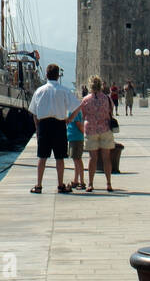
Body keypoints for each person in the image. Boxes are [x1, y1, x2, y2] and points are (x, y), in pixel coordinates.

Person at [28, 63, 81, 194]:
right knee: (59, 157)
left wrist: (37, 127)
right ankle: (60, 185)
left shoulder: (39, 91)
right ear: (58, 76)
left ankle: (39, 185)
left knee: (42, 157)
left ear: (46, 75)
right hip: (59, 125)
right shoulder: (64, 90)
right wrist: (69, 119)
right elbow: (77, 107)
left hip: (44, 125)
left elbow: (34, 112)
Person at [81, 75, 116, 192]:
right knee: (106, 158)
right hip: (105, 129)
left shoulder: (85, 100)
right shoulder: (107, 98)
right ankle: (108, 183)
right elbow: (111, 111)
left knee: (93, 158)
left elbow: (83, 115)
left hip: (91, 130)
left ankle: (90, 184)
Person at [66, 98, 86, 190]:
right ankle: (76, 180)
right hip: (73, 138)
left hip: (76, 138)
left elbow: (78, 124)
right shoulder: (72, 110)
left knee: (78, 160)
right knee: (75, 160)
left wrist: (83, 133)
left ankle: (81, 182)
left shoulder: (74, 111)